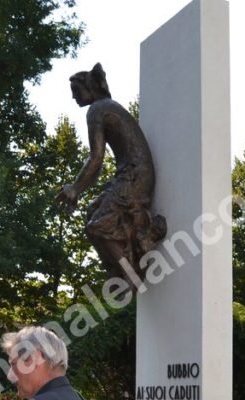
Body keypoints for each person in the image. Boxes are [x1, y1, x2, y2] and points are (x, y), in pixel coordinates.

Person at [56, 63, 166, 281]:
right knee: (92, 211)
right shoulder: (106, 107)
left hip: (135, 176)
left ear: (90, 88)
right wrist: (78, 189)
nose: (74, 97)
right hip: (132, 174)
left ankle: (130, 278)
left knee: (97, 227)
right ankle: (130, 256)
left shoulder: (98, 110)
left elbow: (96, 158)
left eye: (76, 92)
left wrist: (75, 188)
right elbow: (96, 167)